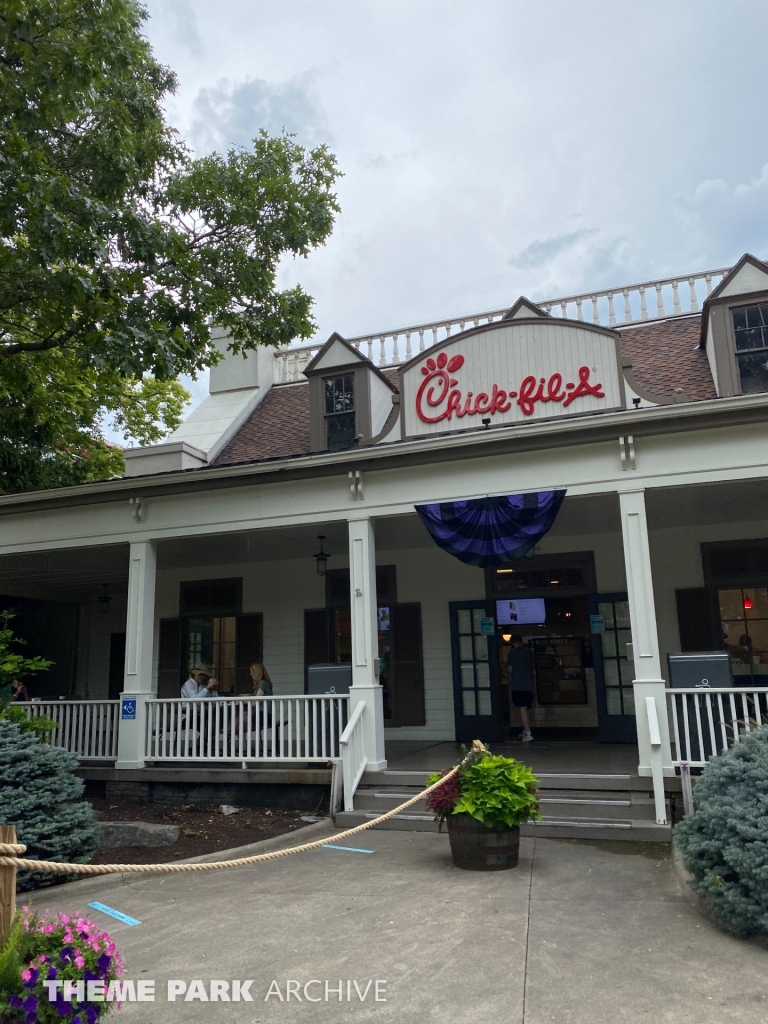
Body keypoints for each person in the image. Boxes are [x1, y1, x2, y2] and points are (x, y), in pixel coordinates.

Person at [507, 635, 535, 742]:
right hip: (528, 684)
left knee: (521, 708)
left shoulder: (512, 653)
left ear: (513, 643)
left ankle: (528, 733)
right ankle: (525, 730)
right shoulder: (529, 652)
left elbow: (510, 669)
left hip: (518, 684)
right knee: (525, 708)